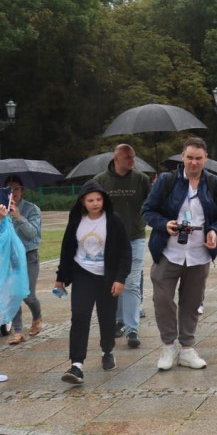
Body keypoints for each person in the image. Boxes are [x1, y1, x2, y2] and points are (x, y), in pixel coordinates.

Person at [142, 137, 217, 371]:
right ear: (183, 157)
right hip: (168, 251)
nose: (194, 162)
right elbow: (147, 210)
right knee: (162, 300)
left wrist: (215, 230)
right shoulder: (167, 180)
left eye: (198, 158)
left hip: (199, 252)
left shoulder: (216, 184)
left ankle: (187, 348)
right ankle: (168, 345)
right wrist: (164, 224)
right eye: (190, 157)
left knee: (191, 302)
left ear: (206, 159)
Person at [54, 181, 131, 385]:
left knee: (106, 318)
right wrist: (61, 277)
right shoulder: (76, 219)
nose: (95, 203)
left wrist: (120, 279)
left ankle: (107, 349)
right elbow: (67, 248)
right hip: (82, 274)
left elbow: (125, 253)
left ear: (104, 200)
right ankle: (77, 365)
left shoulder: (113, 220)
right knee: (79, 316)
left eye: (98, 199)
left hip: (107, 276)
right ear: (82, 202)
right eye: (90, 200)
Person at [93, 144, 151, 349]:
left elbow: (152, 204)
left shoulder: (141, 179)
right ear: (116, 159)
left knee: (133, 283)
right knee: (114, 281)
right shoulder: (101, 181)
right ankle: (118, 320)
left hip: (135, 238)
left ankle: (132, 328)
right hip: (109, 241)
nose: (132, 161)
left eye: (133, 157)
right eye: (128, 158)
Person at [2, 176, 42, 345]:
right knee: (13, 293)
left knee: (27, 294)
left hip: (29, 255)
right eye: (8, 189)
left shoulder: (32, 209)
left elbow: (33, 233)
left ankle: (37, 317)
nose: (13, 192)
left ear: (22, 190)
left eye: (16, 189)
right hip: (10, 257)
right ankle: (18, 331)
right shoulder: (2, 209)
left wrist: (18, 217)